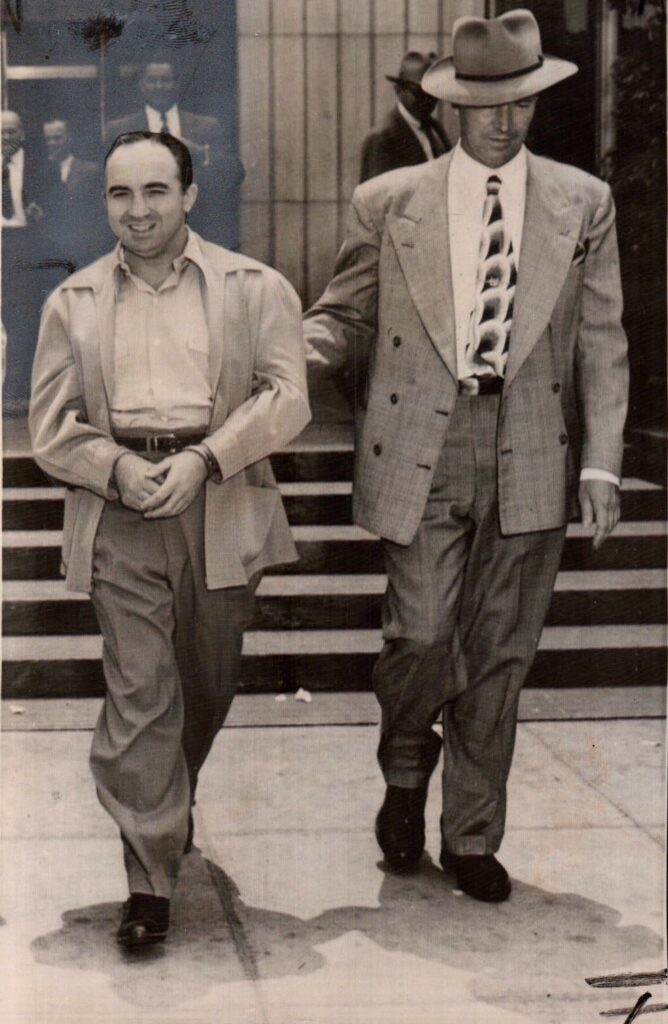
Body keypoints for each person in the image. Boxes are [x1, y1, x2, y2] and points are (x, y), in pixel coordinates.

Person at [304, 10, 628, 903]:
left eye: (520, 101)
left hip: (533, 444)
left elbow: (602, 341)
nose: (504, 120)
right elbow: (344, 314)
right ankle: (406, 771)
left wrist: (600, 464)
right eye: (484, 103)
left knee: (499, 651)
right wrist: (282, 361)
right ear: (447, 106)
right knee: (418, 635)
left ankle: (472, 831)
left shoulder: (582, 202)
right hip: (422, 442)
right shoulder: (389, 202)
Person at [29, 131, 310, 945]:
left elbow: (287, 399)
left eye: (156, 191)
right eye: (121, 193)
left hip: (220, 502)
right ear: (104, 201)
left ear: (189, 195)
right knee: (141, 691)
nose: (138, 210)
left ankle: (164, 805)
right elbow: (51, 425)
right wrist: (115, 469)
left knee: (204, 686)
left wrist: (207, 458)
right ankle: (149, 878)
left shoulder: (255, 289)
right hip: (118, 509)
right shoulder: (74, 302)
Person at [104, 59, 243, 247]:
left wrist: (201, 153)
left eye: (166, 80)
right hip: (142, 228)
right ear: (141, 85)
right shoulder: (120, 129)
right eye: (152, 80)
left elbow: (234, 173)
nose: (159, 86)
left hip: (197, 228)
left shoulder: (206, 126)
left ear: (177, 84)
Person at [2, 110, 67, 410]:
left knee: (23, 315)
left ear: (23, 135)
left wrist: (44, 215)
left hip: (25, 245)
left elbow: (60, 204)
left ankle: (19, 389)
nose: (6, 137)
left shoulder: (44, 166)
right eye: (1, 132)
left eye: (12, 132)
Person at [360, 51, 450, 183]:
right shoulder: (381, 137)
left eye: (434, 92)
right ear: (399, 89)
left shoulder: (435, 128)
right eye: (419, 92)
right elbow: (375, 198)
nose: (427, 100)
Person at [43, 119, 98, 194]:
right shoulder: (40, 172)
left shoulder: (90, 171)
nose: (52, 143)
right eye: (48, 139)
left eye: (57, 138)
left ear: (69, 138)